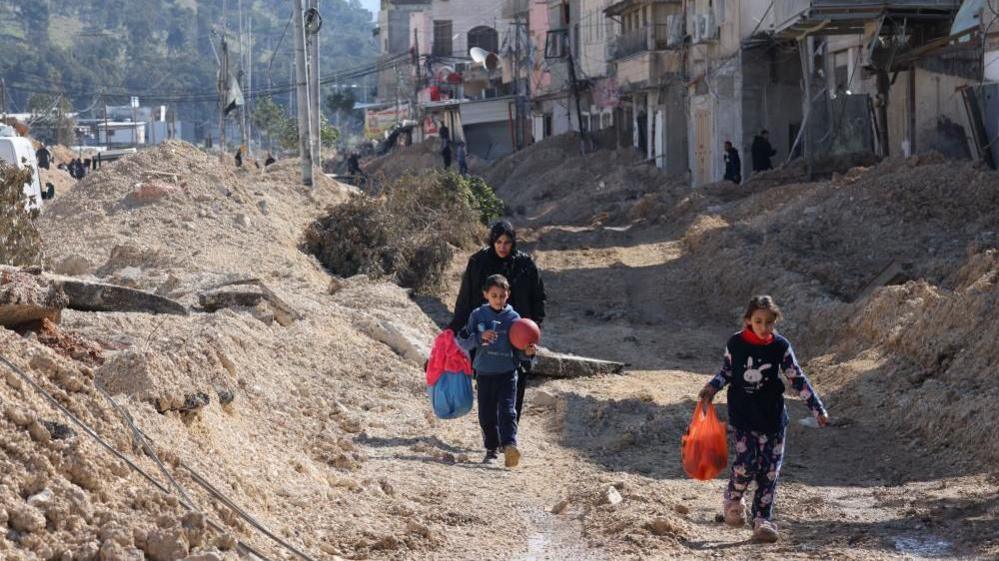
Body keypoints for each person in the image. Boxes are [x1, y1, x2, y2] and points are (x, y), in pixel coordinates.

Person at [697, 295, 829, 543]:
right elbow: (727, 371)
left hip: (773, 419)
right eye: (758, 321)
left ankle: (762, 520)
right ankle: (733, 498)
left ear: (775, 321)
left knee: (769, 472)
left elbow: (796, 378)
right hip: (744, 416)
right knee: (747, 463)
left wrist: (817, 408)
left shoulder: (780, 346)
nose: (764, 327)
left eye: (769, 322)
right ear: (748, 321)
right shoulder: (736, 344)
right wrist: (711, 388)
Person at [449, 220, 546, 424]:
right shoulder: (478, 262)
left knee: (516, 381)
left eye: (508, 242)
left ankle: (509, 435)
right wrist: (454, 329)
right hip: (486, 335)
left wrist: (534, 327)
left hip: (518, 335)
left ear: (514, 243)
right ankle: (492, 433)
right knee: (487, 385)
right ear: (492, 241)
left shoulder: (525, 265)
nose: (503, 247)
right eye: (499, 241)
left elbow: (538, 298)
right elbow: (465, 299)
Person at [456, 274, 537, 467]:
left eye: (502, 295)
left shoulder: (514, 318)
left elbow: (519, 351)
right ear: (486, 295)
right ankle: (491, 450)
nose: (498, 300)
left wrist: (527, 352)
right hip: (484, 373)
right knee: (487, 414)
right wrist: (479, 337)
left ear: (508, 294)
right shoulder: (477, 315)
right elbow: (463, 341)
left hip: (508, 373)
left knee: (508, 411)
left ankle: (510, 445)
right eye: (494, 295)